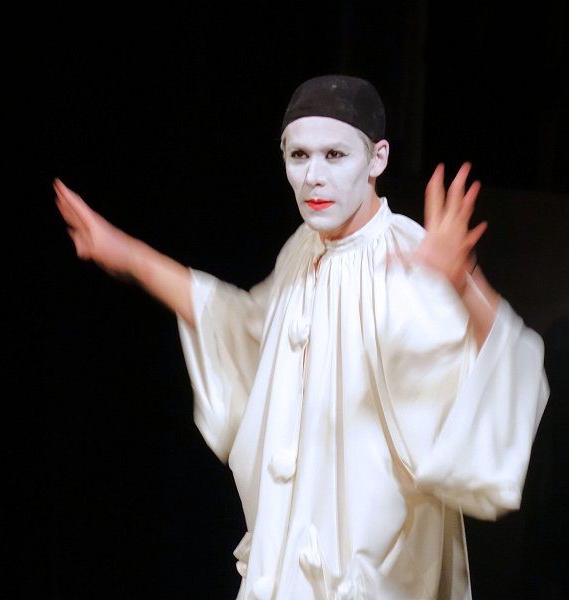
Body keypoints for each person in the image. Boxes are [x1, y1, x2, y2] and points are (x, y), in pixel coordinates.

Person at [54, 74, 549, 599]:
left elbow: (502, 367)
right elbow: (243, 327)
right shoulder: (303, 249)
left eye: (335, 155)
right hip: (291, 558)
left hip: (375, 569)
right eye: (299, 156)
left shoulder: (406, 253)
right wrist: (127, 255)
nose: (314, 176)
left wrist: (462, 283)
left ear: (377, 159)